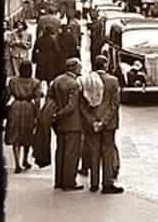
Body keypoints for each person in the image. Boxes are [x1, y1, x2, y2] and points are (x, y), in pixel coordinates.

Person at [80, 55, 123, 194]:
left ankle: (94, 183)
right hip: (109, 124)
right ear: (105, 65)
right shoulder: (113, 81)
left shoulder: (87, 81)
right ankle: (107, 183)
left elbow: (83, 106)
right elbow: (114, 104)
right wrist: (103, 122)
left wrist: (92, 121)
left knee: (94, 152)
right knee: (107, 152)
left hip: (92, 123)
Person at [50, 57, 84, 191]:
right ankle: (69, 182)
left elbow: (50, 99)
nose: (81, 69)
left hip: (60, 125)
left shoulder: (57, 80)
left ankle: (59, 180)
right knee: (71, 154)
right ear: (74, 68)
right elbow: (71, 106)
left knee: (60, 151)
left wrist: (54, 115)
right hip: (73, 123)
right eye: (79, 67)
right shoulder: (74, 84)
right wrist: (60, 114)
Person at [5, 60, 42, 173]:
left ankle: (17, 163)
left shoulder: (13, 81)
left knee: (15, 135)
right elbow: (37, 100)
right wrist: (37, 114)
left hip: (15, 107)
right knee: (27, 134)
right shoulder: (35, 82)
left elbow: (7, 95)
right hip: (28, 108)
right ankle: (25, 159)